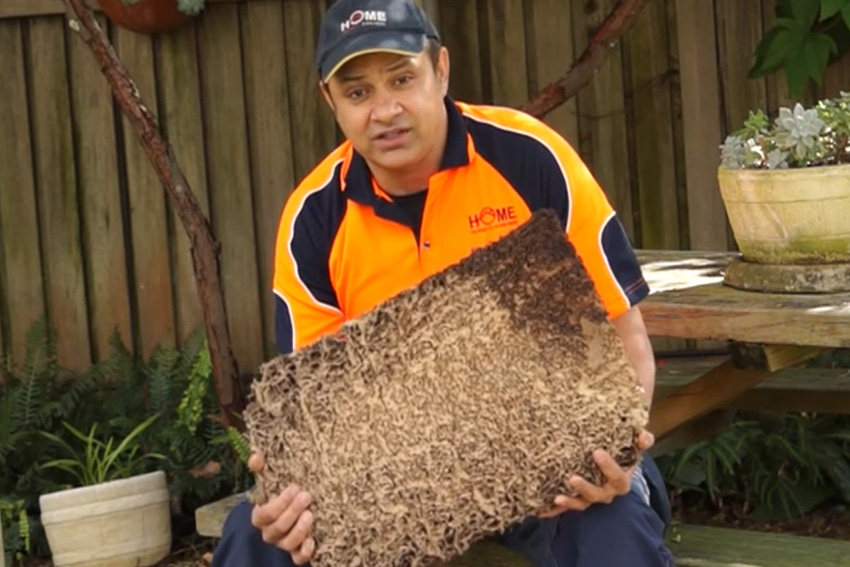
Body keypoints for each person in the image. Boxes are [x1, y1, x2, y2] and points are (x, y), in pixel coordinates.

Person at [212, 0, 674, 565]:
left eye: (402, 79)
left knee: (610, 529)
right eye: (358, 93)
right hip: (396, 480)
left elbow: (628, 345)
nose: (385, 111)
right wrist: (286, 499)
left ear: (442, 71)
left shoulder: (530, 157)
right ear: (329, 101)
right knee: (257, 537)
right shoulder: (313, 217)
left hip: (554, 453)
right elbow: (321, 423)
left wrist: (618, 460)